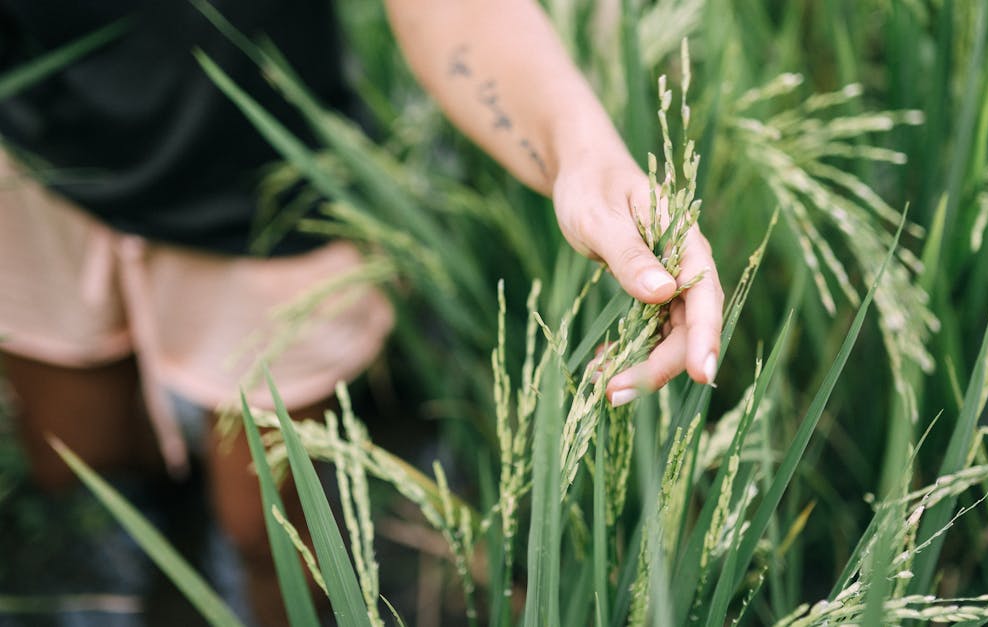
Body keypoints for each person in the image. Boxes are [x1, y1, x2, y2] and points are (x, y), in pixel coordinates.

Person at [0, 0, 723, 624]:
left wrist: (582, 152)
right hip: (31, 166)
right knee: (78, 463)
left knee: (274, 537)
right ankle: (166, 542)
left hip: (270, 199)